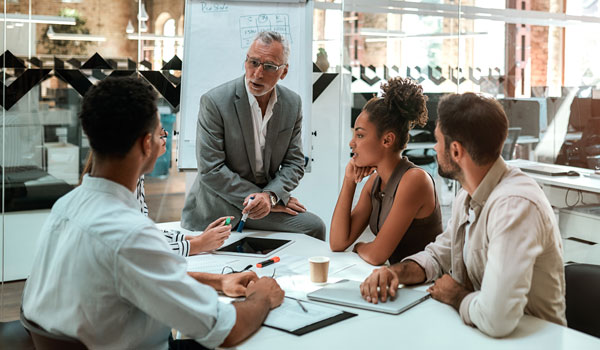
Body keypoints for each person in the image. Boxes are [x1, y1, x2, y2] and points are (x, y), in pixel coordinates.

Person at [22, 76, 284, 349]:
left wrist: (218, 281)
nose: (165, 137)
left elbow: (133, 275)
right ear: (147, 144)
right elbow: (226, 329)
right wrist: (262, 297)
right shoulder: (130, 234)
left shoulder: (66, 207)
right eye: (161, 131)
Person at [359, 92, 566, 337]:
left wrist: (456, 296)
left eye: (438, 141)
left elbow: (497, 319)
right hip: (482, 334)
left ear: (455, 151)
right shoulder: (468, 195)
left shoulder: (514, 206)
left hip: (530, 340)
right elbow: (438, 256)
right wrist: (394, 273)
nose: (435, 148)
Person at [181, 31, 325, 240]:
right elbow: (211, 169)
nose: (257, 73)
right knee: (313, 227)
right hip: (217, 207)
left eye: (269, 66)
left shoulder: (292, 103)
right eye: (253, 62)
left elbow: (294, 162)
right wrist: (263, 199)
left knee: (314, 227)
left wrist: (271, 196)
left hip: (264, 202)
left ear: (283, 71)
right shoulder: (215, 102)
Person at [329, 77, 442, 265]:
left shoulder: (414, 180)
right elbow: (338, 242)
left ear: (387, 140)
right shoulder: (375, 182)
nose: (352, 143)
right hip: (396, 282)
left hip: (425, 286)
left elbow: (376, 255)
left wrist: (359, 247)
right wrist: (349, 181)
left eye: (360, 135)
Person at [82, 143, 232, 256]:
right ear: (145, 141)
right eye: (160, 133)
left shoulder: (133, 177)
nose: (165, 136)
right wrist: (197, 245)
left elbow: (145, 232)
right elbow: (141, 252)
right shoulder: (117, 194)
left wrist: (194, 239)